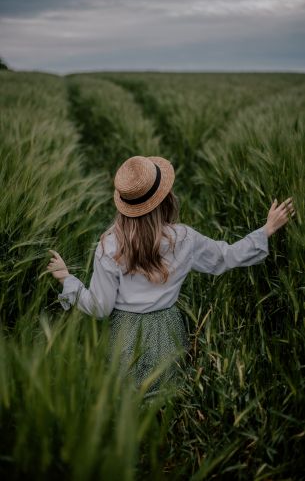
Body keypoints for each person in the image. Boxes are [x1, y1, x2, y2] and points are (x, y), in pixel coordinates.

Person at [47, 155, 295, 400]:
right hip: (167, 331)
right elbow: (227, 256)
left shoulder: (109, 247)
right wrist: (266, 230)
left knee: (126, 400)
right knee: (167, 399)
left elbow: (100, 308)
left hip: (123, 335)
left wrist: (67, 279)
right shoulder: (184, 239)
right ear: (166, 199)